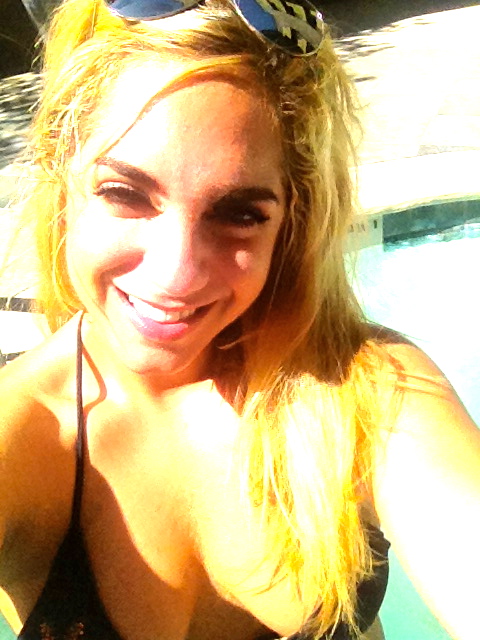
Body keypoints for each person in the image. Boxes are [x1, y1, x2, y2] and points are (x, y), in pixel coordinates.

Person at [0, 0, 479, 639]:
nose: (176, 275)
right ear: (61, 179)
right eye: (124, 194)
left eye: (240, 214)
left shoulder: (365, 395)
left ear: (291, 222)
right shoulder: (22, 437)